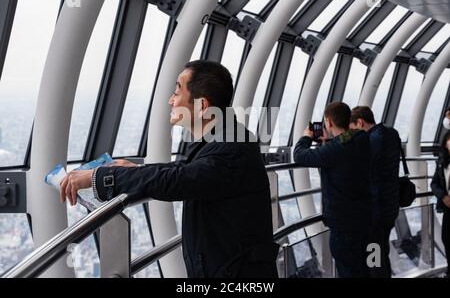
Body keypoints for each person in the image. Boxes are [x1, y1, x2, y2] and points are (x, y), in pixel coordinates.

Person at [59, 60, 279, 278]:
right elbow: (190, 171)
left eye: (177, 91)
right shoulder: (226, 141)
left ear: (202, 106)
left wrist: (102, 177)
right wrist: (135, 169)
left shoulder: (232, 150)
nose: (170, 100)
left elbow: (180, 179)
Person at [293, 102, 372, 278]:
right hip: (363, 218)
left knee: (348, 271)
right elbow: (345, 142)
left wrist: (306, 137)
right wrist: (328, 142)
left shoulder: (336, 149)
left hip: (344, 224)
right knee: (362, 269)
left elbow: (299, 155)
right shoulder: (361, 139)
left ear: (328, 122)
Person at [350, 106, 401, 278]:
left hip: (376, 211)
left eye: (353, 130)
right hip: (390, 206)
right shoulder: (392, 133)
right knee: (381, 251)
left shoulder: (372, 140)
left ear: (360, 122)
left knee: (374, 256)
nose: (353, 135)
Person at [431, 131, 450, 278]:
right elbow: (434, 183)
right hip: (448, 206)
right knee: (446, 238)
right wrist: (443, 196)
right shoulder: (442, 160)